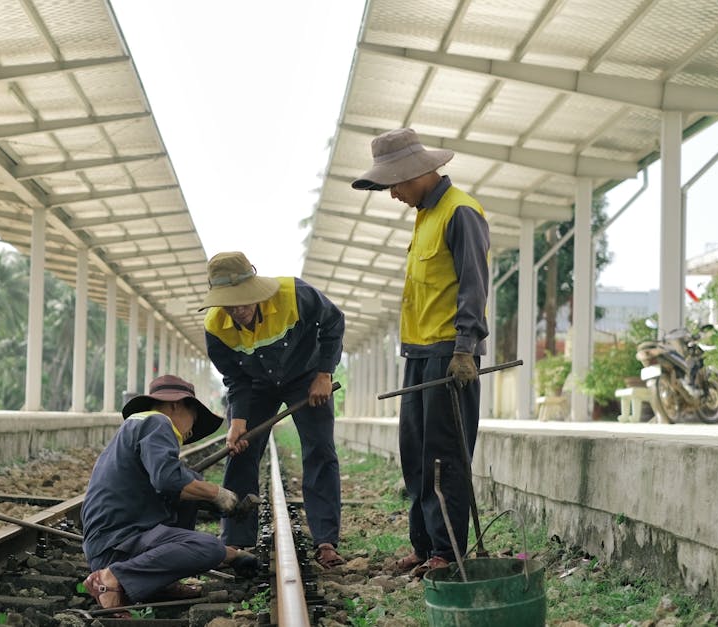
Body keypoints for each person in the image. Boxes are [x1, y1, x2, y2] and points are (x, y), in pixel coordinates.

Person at [351, 128, 490, 577]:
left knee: (444, 456)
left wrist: (466, 347)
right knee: (415, 453)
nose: (392, 193)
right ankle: (425, 544)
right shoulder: (425, 214)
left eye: (395, 183)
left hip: (451, 354)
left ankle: (447, 553)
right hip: (418, 353)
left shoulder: (460, 212)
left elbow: (473, 283)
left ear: (419, 171)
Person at [199, 251, 347, 569]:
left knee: (319, 450)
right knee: (241, 452)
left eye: (243, 300)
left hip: (307, 378)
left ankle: (325, 541)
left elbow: (334, 321)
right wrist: (237, 421)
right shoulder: (215, 328)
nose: (238, 310)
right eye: (230, 303)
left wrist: (324, 373)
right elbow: (236, 379)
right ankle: (236, 542)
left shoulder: (294, 294)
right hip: (256, 388)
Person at [81, 374, 258, 613]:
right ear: (176, 405)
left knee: (190, 489)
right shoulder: (157, 422)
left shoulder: (137, 426)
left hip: (114, 543)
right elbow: (168, 480)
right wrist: (217, 492)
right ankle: (112, 578)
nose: (192, 428)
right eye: (193, 418)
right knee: (209, 546)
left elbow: (175, 485)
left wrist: (235, 555)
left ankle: (159, 584)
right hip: (119, 544)